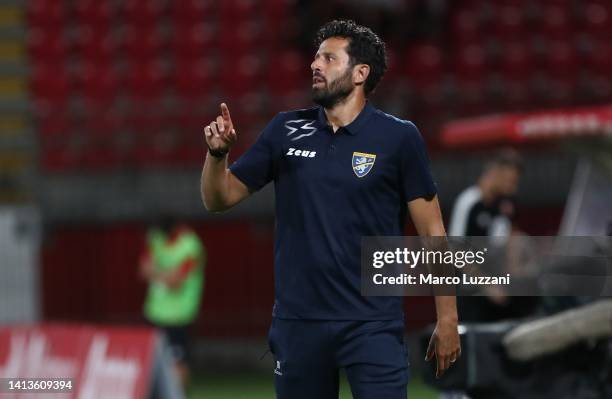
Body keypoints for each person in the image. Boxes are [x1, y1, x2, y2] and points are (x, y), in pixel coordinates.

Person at [201, 20, 460, 399]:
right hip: (298, 324)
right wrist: (217, 155)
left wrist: (448, 317)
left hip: (372, 324)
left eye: (328, 57)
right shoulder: (284, 130)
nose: (315, 65)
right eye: (315, 56)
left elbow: (433, 235)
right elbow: (218, 199)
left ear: (360, 73)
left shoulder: (400, 138)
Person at [140, 218, 205, 389]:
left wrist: (157, 274)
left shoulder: (190, 245)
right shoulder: (155, 238)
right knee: (150, 360)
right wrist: (166, 275)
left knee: (178, 361)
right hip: (155, 312)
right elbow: (144, 269)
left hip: (179, 315)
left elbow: (175, 282)